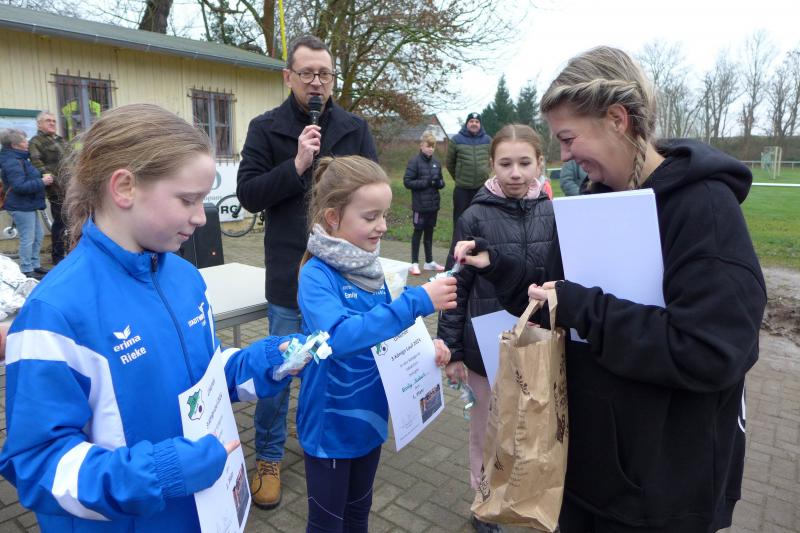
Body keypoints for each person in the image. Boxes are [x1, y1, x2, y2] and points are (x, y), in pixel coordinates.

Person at [454, 46, 767, 533]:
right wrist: (503, 269)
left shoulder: (703, 207)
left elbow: (712, 349)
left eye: (568, 138)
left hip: (659, 492)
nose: (564, 156)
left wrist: (585, 308)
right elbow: (557, 300)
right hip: (585, 474)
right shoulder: (595, 201)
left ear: (617, 120)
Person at [0, 104, 308, 532]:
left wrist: (262, 363)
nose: (200, 217)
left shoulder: (185, 276)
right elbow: (36, 465)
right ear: (125, 187)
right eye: (188, 199)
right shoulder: (55, 312)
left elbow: (203, 375)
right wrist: (158, 474)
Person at [236, 34, 378, 509]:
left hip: (343, 276)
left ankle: (337, 442)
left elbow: (373, 192)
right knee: (281, 369)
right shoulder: (265, 128)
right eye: (308, 74)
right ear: (289, 77)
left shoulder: (354, 128)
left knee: (340, 363)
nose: (317, 83)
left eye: (325, 74)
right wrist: (297, 163)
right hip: (289, 272)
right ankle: (269, 457)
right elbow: (249, 196)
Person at [297, 155, 456, 532]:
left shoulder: (371, 268)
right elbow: (336, 338)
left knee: (358, 515)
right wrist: (417, 301)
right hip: (331, 425)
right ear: (333, 217)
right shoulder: (316, 275)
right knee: (327, 524)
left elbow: (387, 334)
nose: (382, 226)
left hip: (370, 418)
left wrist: (425, 350)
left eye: (383, 215)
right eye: (370, 217)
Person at [437, 124, 555, 533]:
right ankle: (484, 501)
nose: (515, 173)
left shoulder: (553, 213)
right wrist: (452, 350)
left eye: (524, 163)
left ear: (540, 163)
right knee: (488, 431)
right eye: (505, 164)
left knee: (531, 426)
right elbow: (455, 285)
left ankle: (525, 496)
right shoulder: (474, 216)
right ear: (492, 165)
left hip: (536, 342)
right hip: (483, 348)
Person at [0, 128, 53, 279]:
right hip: (20, 206)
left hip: (27, 204)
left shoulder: (21, 158)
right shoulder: (12, 161)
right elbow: (19, 186)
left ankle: (35, 265)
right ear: (15, 145)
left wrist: (41, 177)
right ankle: (26, 269)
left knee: (38, 235)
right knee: (28, 238)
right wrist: (42, 181)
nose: (27, 142)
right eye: (24, 140)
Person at [403, 131, 446, 275]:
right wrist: (425, 182)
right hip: (420, 206)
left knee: (429, 232)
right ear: (421, 146)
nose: (430, 149)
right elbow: (407, 182)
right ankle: (414, 263)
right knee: (418, 232)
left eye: (433, 147)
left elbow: (441, 182)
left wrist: (439, 183)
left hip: (433, 206)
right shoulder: (414, 162)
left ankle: (429, 262)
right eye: (428, 146)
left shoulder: (436, 163)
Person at [29, 111, 69, 264]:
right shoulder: (36, 141)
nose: (52, 123)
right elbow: (36, 162)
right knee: (60, 222)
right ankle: (57, 256)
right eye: (48, 121)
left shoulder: (61, 139)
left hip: (71, 186)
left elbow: (72, 159)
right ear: (39, 124)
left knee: (73, 221)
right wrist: (50, 177)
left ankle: (71, 251)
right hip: (56, 188)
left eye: (53, 121)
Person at [446, 112, 492, 226]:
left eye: (477, 122)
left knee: (481, 219)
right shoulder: (456, 140)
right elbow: (450, 163)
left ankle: (477, 238)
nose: (474, 124)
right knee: (460, 219)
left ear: (480, 124)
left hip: (481, 188)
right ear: (467, 123)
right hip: (462, 190)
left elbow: (493, 159)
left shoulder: (488, 140)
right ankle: (458, 237)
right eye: (471, 121)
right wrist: (459, 177)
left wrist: (486, 173)